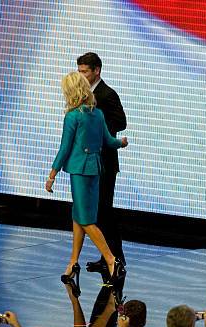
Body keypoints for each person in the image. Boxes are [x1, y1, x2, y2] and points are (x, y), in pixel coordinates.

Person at [45, 71, 127, 296]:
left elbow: (64, 148)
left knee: (86, 220)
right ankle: (73, 263)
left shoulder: (73, 117)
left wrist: (52, 174)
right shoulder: (97, 114)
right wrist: (121, 143)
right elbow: (109, 141)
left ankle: (112, 260)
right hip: (95, 169)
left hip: (79, 171)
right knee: (78, 215)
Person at [77, 52, 128, 271]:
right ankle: (107, 256)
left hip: (105, 162)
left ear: (96, 70)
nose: (81, 76)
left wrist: (97, 118)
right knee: (97, 212)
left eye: (84, 72)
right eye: (79, 72)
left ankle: (116, 257)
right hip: (90, 161)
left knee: (104, 211)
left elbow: (121, 122)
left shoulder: (107, 94)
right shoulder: (83, 93)